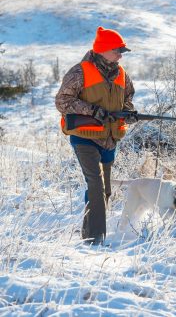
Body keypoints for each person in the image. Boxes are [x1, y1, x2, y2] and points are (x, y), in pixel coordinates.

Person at [55, 26, 136, 245]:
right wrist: (92, 111)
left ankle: (87, 233)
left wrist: (128, 113)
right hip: (84, 137)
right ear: (102, 50)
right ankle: (96, 240)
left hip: (109, 139)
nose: (120, 55)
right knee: (96, 185)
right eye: (117, 50)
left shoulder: (122, 75)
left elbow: (128, 99)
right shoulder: (79, 72)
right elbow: (62, 101)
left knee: (105, 191)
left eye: (122, 51)